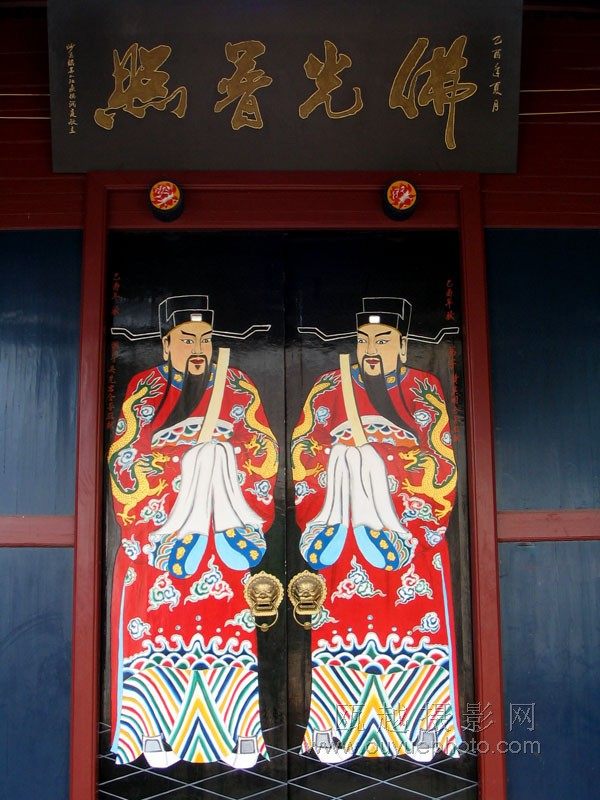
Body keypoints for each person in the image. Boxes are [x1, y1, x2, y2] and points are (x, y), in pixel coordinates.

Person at [108, 295, 278, 768]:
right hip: (161, 540)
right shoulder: (145, 389)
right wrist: (183, 467)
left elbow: (261, 455)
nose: (198, 348)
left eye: (205, 339)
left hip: (221, 540)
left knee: (228, 638)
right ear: (166, 344)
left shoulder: (237, 386)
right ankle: (153, 732)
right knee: (155, 640)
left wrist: (216, 464)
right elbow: (126, 458)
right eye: (186, 339)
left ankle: (235, 734)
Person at [291, 297, 462, 762]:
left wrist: (382, 476)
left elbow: (440, 461)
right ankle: (335, 730)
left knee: (418, 634)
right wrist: (344, 471)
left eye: (383, 341)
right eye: (364, 340)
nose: (371, 350)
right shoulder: (328, 388)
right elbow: (305, 456)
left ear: (402, 345)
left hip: (409, 541)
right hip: (345, 539)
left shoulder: (423, 390)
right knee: (339, 633)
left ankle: (425, 727)